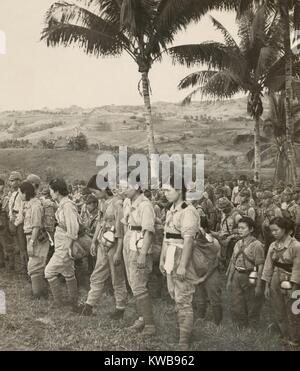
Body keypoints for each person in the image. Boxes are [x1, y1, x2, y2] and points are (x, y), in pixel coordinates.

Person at [78, 175, 128, 319]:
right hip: (103, 243)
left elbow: (120, 229)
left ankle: (120, 308)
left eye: (95, 191)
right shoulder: (102, 203)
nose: (94, 195)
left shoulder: (117, 203)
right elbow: (100, 223)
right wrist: (94, 241)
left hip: (114, 245)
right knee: (97, 273)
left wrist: (118, 251)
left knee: (117, 276)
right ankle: (89, 305)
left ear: (103, 188)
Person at [160, 176, 200, 350]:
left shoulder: (187, 211)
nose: (165, 193)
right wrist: (163, 258)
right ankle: (182, 333)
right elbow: (167, 236)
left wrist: (182, 265)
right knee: (174, 294)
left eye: (168, 190)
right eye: (164, 190)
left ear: (179, 190)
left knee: (183, 298)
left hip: (182, 255)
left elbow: (189, 240)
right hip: (170, 254)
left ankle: (184, 342)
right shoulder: (172, 209)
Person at [122, 176, 156, 337]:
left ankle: (149, 325)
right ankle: (142, 317)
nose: (122, 188)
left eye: (125, 185)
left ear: (136, 186)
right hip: (129, 243)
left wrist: (143, 254)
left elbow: (148, 232)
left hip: (139, 246)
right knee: (133, 283)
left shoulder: (145, 205)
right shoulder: (128, 202)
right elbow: (125, 223)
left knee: (139, 284)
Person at [262, 217, 300, 346]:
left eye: (276, 230)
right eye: (271, 231)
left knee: (294, 310)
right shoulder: (273, 245)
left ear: (285, 230)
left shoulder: (296, 246)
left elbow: (297, 268)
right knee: (279, 309)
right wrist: (266, 285)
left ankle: (295, 339)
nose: (274, 233)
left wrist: (294, 288)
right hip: (275, 279)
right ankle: (285, 335)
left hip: (292, 281)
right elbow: (268, 265)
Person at [45, 178, 80, 310]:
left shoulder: (67, 206)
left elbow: (73, 228)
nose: (51, 193)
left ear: (57, 191)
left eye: (51, 191)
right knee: (68, 272)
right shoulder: (63, 204)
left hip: (65, 245)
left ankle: (59, 302)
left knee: (49, 272)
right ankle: (73, 302)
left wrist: (69, 247)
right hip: (62, 244)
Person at [226, 217, 265, 328]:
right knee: (237, 302)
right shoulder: (237, 243)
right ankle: (241, 326)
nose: (240, 230)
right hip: (237, 275)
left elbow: (260, 265)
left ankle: (252, 327)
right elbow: (233, 262)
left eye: (243, 228)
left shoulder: (257, 245)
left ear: (251, 229)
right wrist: (229, 279)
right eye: (239, 228)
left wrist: (258, 285)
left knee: (252, 302)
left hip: (251, 276)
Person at [20, 181, 49, 299]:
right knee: (35, 264)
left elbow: (36, 226)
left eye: (21, 193)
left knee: (35, 265)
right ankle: (40, 292)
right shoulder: (30, 204)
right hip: (32, 237)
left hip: (36, 238)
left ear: (26, 193)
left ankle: (38, 294)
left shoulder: (36, 206)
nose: (20, 196)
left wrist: (31, 243)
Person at [194, 217, 223, 325]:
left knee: (214, 296)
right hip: (199, 271)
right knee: (200, 296)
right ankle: (201, 317)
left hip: (212, 272)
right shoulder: (194, 241)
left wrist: (205, 276)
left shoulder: (213, 242)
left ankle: (218, 322)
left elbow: (214, 261)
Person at [211, 197, 242, 268]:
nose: (221, 210)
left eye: (222, 208)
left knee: (230, 259)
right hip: (223, 238)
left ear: (228, 206)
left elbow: (242, 230)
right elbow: (224, 226)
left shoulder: (236, 216)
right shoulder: (224, 213)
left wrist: (231, 236)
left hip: (232, 241)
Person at [8, 171, 28, 275]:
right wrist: (11, 217)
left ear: (19, 181)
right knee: (18, 245)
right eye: (10, 180)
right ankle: (22, 266)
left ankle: (26, 268)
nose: (11, 183)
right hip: (14, 219)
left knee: (22, 245)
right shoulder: (13, 193)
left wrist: (16, 223)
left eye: (13, 180)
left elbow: (22, 210)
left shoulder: (21, 193)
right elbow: (11, 207)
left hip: (19, 221)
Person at [0, 178, 15, 271]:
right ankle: (1, 262)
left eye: (0, 185)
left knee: (7, 244)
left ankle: (11, 264)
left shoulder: (6, 198)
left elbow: (7, 211)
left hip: (4, 222)